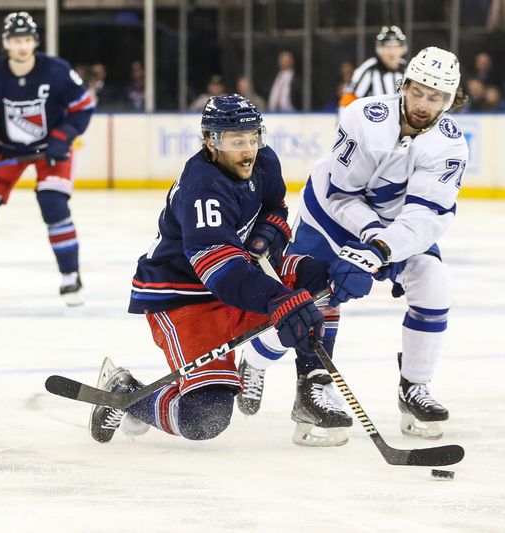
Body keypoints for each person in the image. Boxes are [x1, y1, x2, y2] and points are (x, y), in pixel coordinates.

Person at [87, 95, 373, 445]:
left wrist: (270, 232)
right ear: (211, 141)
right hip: (184, 297)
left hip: (241, 277)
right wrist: (276, 299)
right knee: (204, 418)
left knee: (320, 279)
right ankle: (127, 394)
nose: (249, 149)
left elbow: (276, 207)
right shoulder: (202, 187)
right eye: (237, 141)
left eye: (253, 137)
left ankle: (311, 386)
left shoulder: (265, 161)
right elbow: (220, 270)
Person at [237, 47, 469, 445]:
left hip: (391, 232)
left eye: (435, 97)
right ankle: (278, 369)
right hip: (330, 215)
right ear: (405, 85)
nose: (423, 104)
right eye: (418, 92)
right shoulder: (365, 117)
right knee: (311, 298)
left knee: (433, 279)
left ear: (449, 101)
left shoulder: (450, 146)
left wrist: (378, 249)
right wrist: (367, 245)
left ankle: (414, 387)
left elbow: (426, 217)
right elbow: (342, 195)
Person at [0, 12, 95, 306]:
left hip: (50, 148)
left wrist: (63, 137)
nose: (22, 46)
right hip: (6, 149)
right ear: (6, 43)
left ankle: (70, 276)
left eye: (27, 39)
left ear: (35, 42)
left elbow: (83, 108)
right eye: (16, 40)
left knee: (53, 204)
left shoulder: (57, 70)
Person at [339, 26, 407, 111]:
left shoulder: (408, 70)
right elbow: (347, 103)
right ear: (379, 49)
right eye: (387, 47)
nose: (392, 53)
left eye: (396, 47)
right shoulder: (368, 70)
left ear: (402, 49)